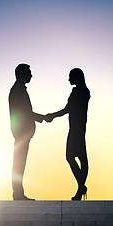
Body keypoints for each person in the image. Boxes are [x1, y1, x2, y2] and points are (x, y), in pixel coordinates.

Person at [45, 68, 90, 200]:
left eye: (70, 77)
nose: (69, 79)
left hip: (76, 128)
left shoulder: (79, 91)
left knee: (72, 156)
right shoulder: (84, 91)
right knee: (80, 157)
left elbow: (68, 109)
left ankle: (81, 187)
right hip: (79, 127)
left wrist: (52, 115)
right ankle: (80, 187)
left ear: (76, 77)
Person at [9, 63, 44, 200]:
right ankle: (18, 193)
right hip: (21, 133)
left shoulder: (19, 90)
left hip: (22, 133)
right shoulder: (18, 90)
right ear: (22, 74)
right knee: (19, 162)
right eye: (29, 73)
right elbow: (24, 112)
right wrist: (42, 118)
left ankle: (18, 192)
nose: (31, 75)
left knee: (19, 162)